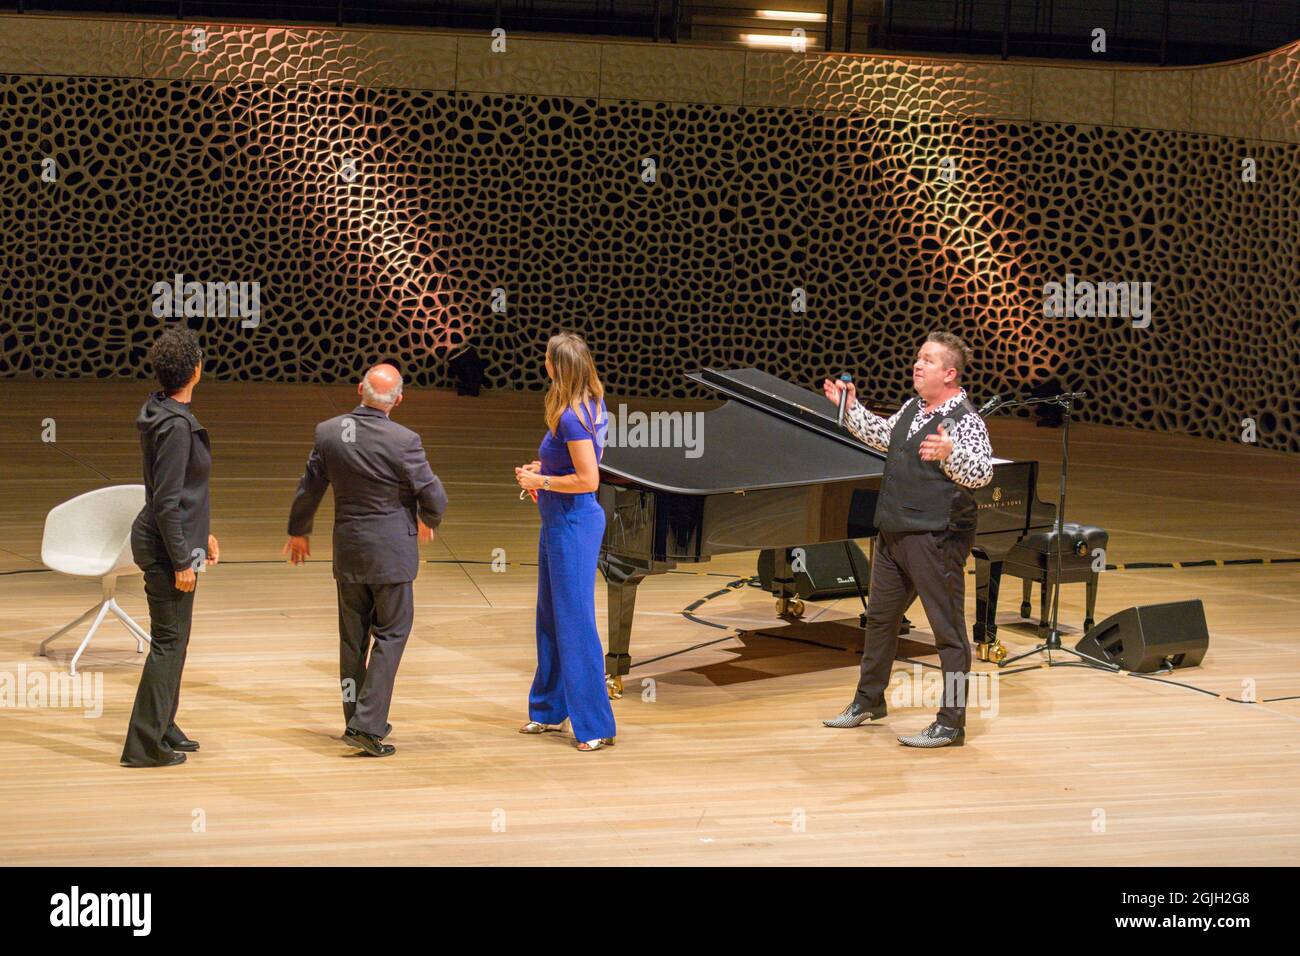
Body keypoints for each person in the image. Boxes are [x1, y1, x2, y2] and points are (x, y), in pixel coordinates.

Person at [821, 331, 993, 748]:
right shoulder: (913, 408)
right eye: (918, 358)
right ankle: (868, 700)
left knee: (947, 631)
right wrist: (850, 408)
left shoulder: (966, 420)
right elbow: (885, 438)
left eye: (929, 361)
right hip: (895, 530)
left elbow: (983, 474)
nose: (918, 365)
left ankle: (951, 723)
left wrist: (951, 453)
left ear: (949, 374)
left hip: (936, 537)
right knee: (881, 619)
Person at [284, 364, 447, 758]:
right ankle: (368, 725)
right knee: (391, 635)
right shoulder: (404, 440)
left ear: (360, 389)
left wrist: (298, 530)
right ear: (399, 400)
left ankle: (354, 717)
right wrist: (429, 518)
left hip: (351, 552)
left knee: (351, 641)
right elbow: (434, 497)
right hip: (391, 555)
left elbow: (310, 488)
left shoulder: (328, 433)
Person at [514, 332, 617, 752]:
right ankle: (548, 710)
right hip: (557, 520)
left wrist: (541, 479)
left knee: (575, 623)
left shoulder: (574, 415)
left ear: (559, 366)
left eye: (547, 359)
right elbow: (580, 462)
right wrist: (548, 469)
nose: (544, 363)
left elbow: (590, 478)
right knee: (550, 617)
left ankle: (595, 724)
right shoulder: (588, 406)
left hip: (573, 525)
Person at [121, 327, 218, 768]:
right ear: (195, 371)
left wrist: (202, 537)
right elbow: (166, 502)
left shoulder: (158, 407)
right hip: (164, 548)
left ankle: (164, 724)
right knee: (168, 641)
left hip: (173, 539)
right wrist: (183, 558)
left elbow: (183, 496)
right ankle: (144, 744)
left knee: (176, 641)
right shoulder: (177, 427)